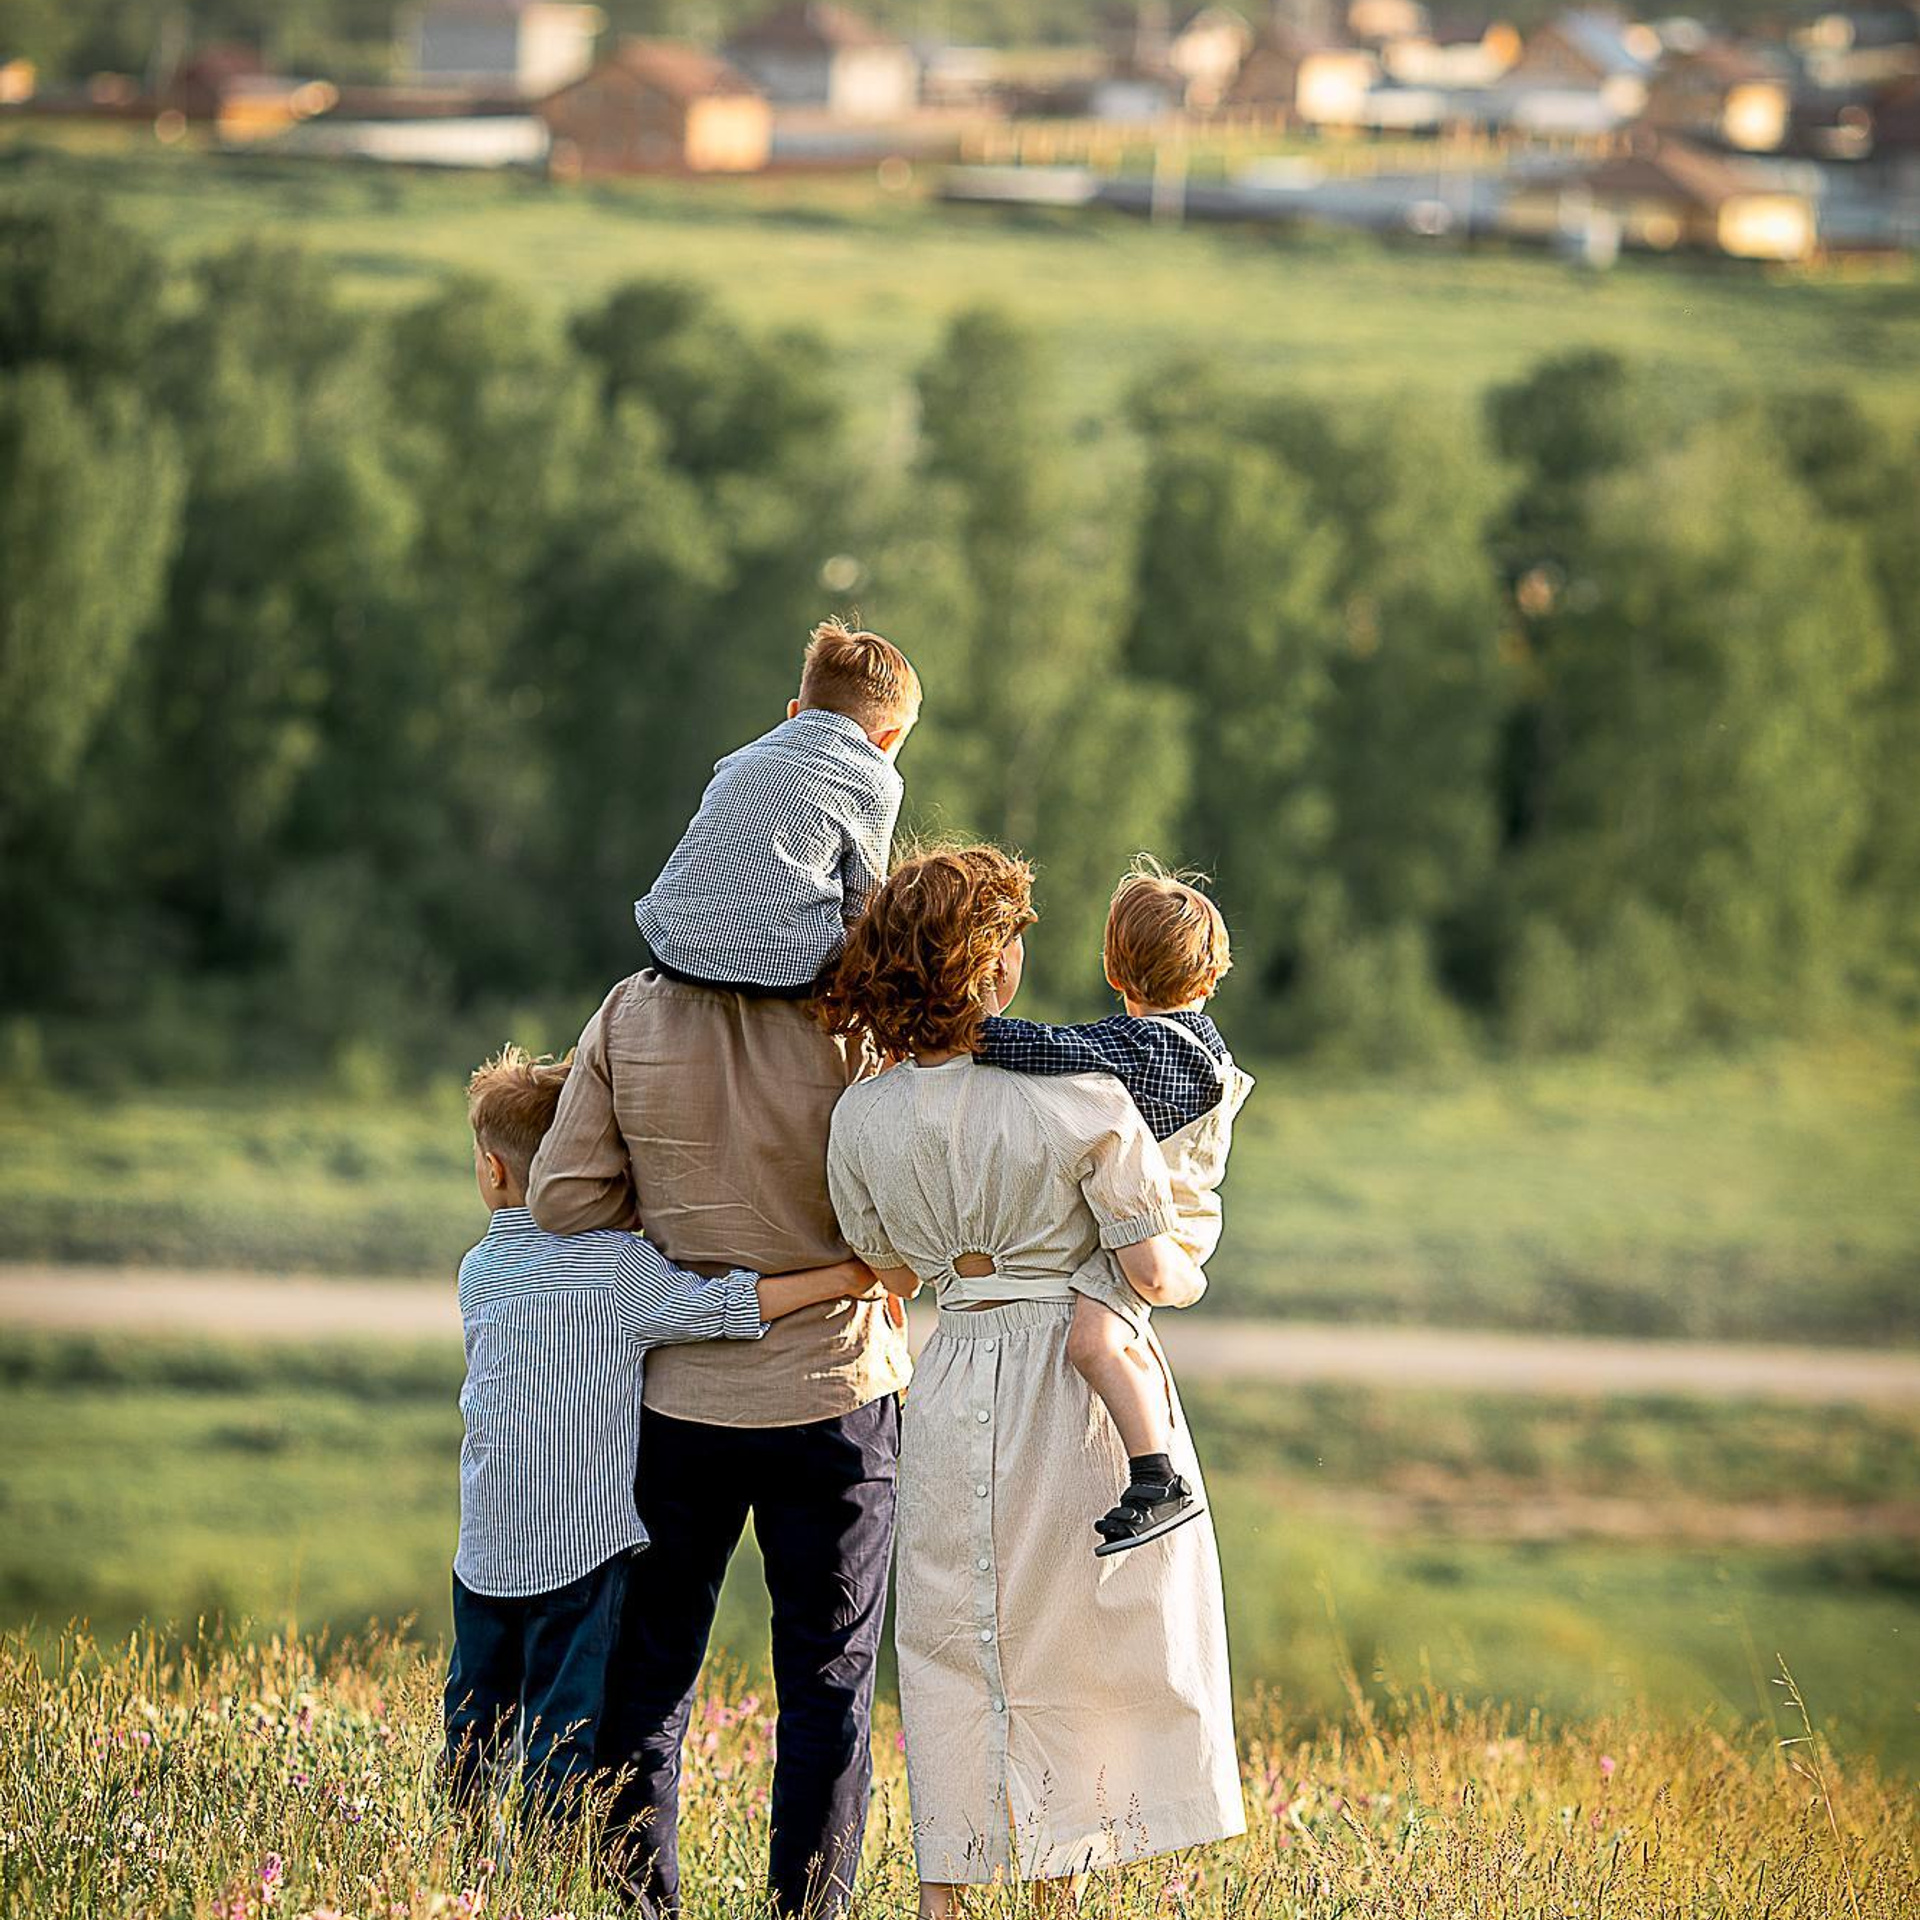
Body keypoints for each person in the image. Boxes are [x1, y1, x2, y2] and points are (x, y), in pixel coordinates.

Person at [527, 619, 922, 1918]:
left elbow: (563, 1199)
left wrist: (673, 1231)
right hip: (836, 1396)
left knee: (646, 1688)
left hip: (678, 1404)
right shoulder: (860, 1031)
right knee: (825, 1692)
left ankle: (639, 1909)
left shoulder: (630, 1010)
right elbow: (908, 1212)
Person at [818, 847, 1245, 1917]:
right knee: (1074, 1643)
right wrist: (1188, 1272)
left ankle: (945, 1896)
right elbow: (1153, 1269)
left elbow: (893, 1271)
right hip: (1068, 1383)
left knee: (951, 1643)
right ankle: (1055, 1885)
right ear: (989, 966)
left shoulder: (859, 1118)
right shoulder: (1083, 1097)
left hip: (951, 1372)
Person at [445, 1045, 871, 1820]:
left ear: (492, 1169)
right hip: (581, 1550)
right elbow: (727, 1306)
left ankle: (466, 1865)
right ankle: (546, 1872)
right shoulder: (617, 1268)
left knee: (474, 1731)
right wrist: (843, 1277)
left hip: (485, 1548)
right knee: (561, 1739)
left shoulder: (479, 1269)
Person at [973, 860, 1253, 1554]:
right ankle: (1158, 1452)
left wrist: (974, 1034)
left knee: (1091, 1342)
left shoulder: (1149, 1049)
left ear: (1114, 970)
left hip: (1160, 1228)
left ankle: (1157, 1477)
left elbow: (1058, 1051)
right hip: (1171, 1221)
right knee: (1122, 1341)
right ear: (1211, 977)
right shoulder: (1199, 1044)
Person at [633, 616, 919, 993]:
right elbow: (863, 901)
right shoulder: (876, 776)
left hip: (673, 946)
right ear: (888, 739)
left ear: (794, 711)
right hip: (785, 970)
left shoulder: (738, 759)